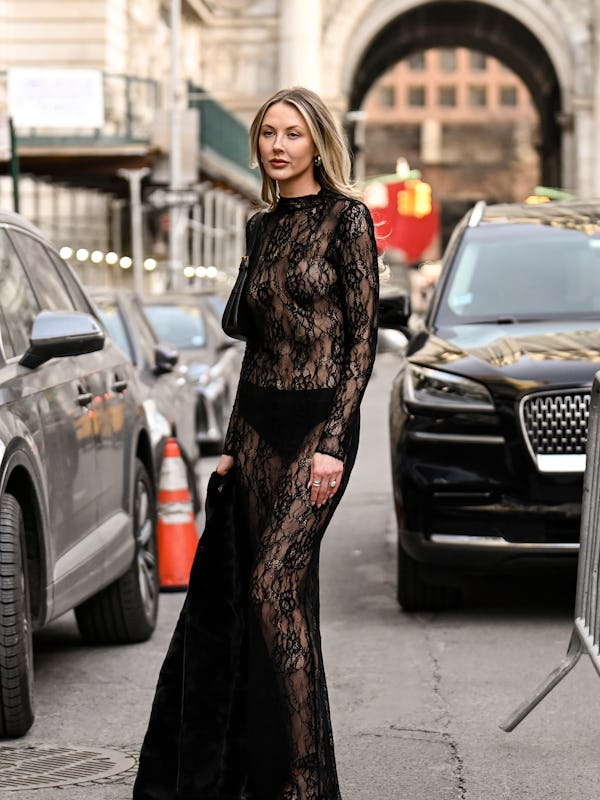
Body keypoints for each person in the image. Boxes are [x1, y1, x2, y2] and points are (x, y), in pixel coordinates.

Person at [133, 86, 379, 800]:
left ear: (317, 144)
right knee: (273, 598)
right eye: (268, 132)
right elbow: (259, 347)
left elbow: (361, 340)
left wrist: (333, 441)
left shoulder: (347, 220)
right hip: (261, 425)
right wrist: (236, 442)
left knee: (273, 587)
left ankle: (304, 782)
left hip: (318, 427)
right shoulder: (258, 226)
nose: (277, 144)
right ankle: (264, 772)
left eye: (292, 133)